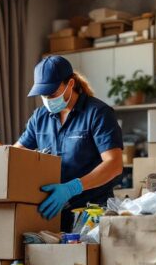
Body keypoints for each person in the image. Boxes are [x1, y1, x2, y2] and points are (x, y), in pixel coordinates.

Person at [15, 55, 123, 232]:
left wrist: (73, 187)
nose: (48, 99)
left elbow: (114, 164)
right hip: (52, 210)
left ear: (71, 84)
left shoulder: (98, 113)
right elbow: (16, 155)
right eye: (44, 95)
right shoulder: (39, 117)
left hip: (91, 213)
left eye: (53, 93)